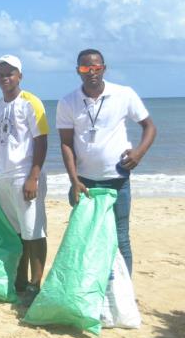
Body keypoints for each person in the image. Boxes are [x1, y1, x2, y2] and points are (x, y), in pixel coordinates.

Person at [56, 48, 156, 274]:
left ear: (104, 68)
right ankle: (90, 291)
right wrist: (73, 181)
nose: (91, 71)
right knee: (86, 238)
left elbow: (149, 127)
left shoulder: (124, 94)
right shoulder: (68, 102)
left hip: (118, 179)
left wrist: (138, 153)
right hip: (84, 183)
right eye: (85, 68)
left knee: (120, 238)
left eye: (96, 67)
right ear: (77, 71)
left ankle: (123, 295)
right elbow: (65, 144)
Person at [0, 55, 49, 304]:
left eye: (10, 73)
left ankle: (35, 283)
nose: (5, 78)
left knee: (34, 232)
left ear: (20, 75)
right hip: (3, 178)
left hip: (24, 176)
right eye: (1, 74)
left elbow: (41, 140)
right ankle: (19, 280)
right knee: (15, 233)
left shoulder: (30, 102)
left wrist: (34, 176)